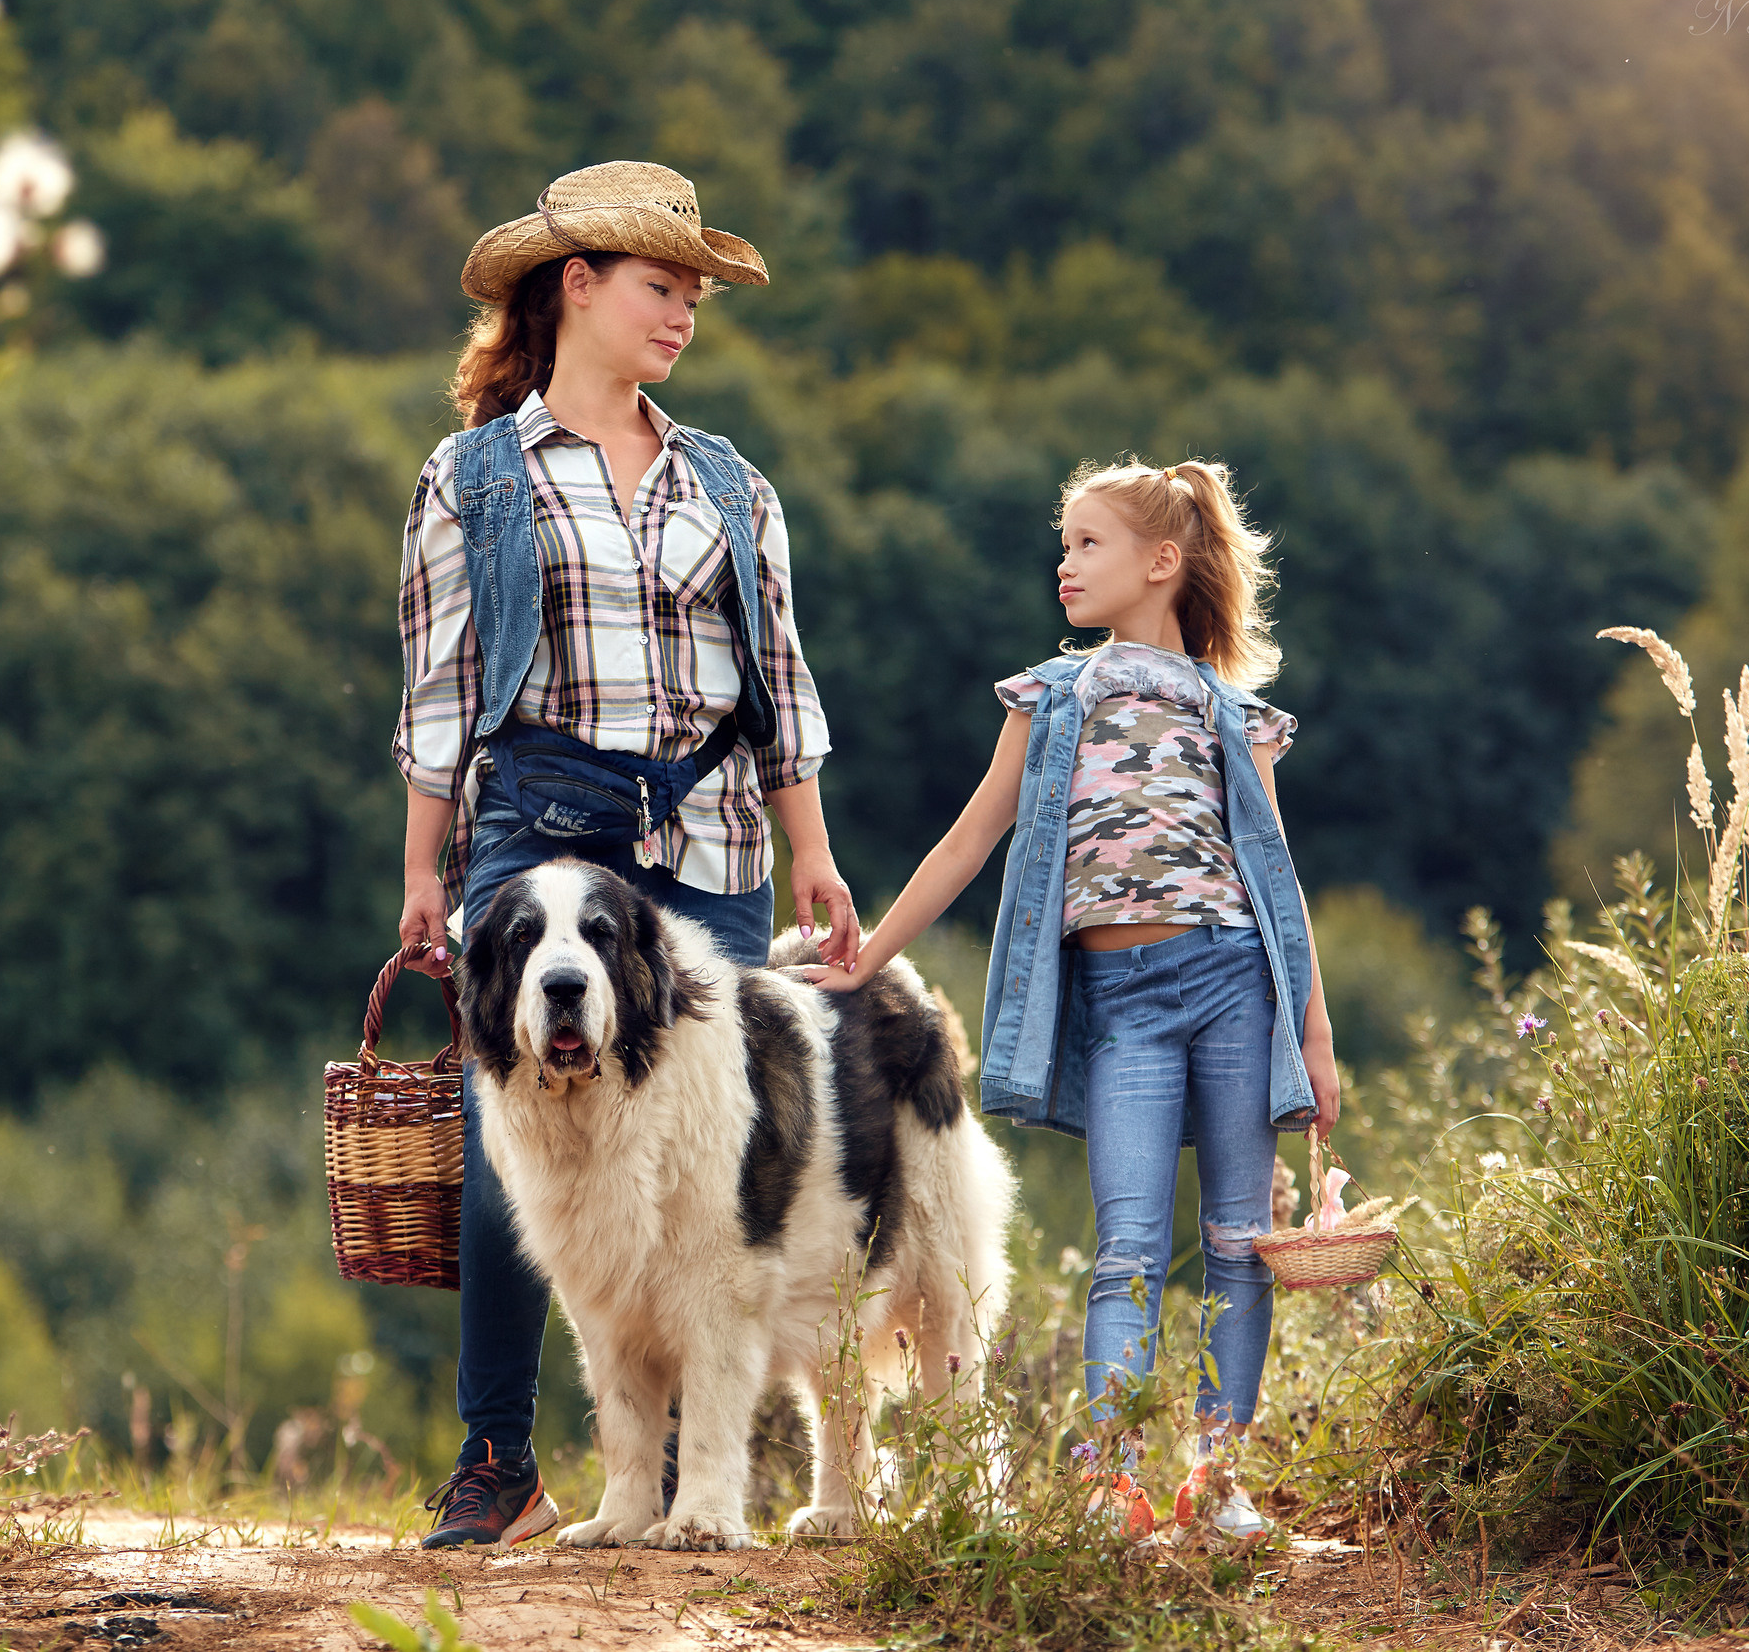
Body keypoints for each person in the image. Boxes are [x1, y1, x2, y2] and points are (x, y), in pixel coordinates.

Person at [391, 162, 857, 1548]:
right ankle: (497, 1456)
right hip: (533, 823)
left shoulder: (733, 480)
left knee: (720, 1166)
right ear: (577, 285)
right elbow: (435, 692)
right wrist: (425, 869)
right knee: (516, 1139)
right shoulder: (473, 474)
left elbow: (779, 678)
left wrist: (814, 853)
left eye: (696, 296)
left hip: (707, 833)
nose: (685, 316)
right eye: (663, 287)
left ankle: (699, 1470)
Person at [794, 457, 1342, 1543]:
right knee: (1128, 1248)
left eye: (1087, 543)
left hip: (1236, 984)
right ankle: (1109, 1487)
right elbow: (967, 840)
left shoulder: (1235, 715)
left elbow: (1275, 882)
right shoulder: (1049, 698)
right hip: (1124, 1000)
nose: (1064, 562)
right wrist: (867, 957)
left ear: (1160, 562)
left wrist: (1313, 1036)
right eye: (1064, 543)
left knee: (1238, 1242)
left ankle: (1219, 1481)